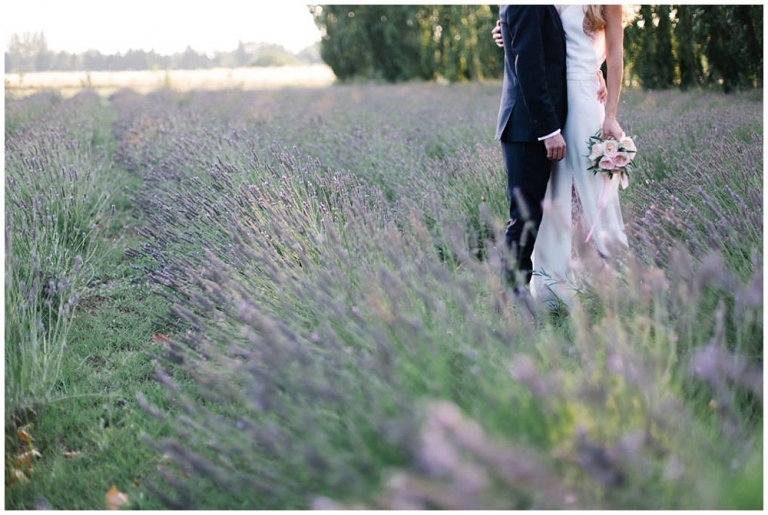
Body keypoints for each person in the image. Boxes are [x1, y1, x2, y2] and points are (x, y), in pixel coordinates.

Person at [493, 5, 634, 312]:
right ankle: (553, 289)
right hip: (550, 103)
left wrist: (610, 114)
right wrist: (506, 29)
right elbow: (533, 33)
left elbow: (616, 55)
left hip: (582, 101)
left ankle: (609, 283)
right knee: (552, 196)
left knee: (590, 191)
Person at [494, 5, 568, 293]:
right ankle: (510, 299)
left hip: (529, 127)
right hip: (527, 129)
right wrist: (548, 130)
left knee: (528, 217)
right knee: (524, 220)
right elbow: (529, 65)